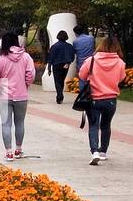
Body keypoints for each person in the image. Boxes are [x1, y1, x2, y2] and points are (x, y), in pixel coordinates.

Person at [77, 34, 126, 165]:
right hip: (111, 99)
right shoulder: (120, 63)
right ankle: (103, 151)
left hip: (94, 98)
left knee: (93, 125)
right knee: (106, 125)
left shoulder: (92, 60)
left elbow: (82, 74)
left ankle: (95, 152)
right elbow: (121, 78)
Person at [0, 32, 36, 160]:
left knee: (6, 124)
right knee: (20, 123)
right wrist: (26, 84)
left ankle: (8, 152)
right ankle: (18, 150)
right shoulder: (26, 57)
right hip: (21, 95)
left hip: (4, 95)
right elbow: (31, 74)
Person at [47, 30, 76, 104]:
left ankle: (59, 95)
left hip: (56, 65)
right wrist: (68, 62)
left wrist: (49, 68)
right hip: (65, 64)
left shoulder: (54, 46)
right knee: (62, 80)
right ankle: (60, 96)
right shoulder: (69, 46)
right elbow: (72, 56)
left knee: (57, 81)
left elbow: (51, 57)